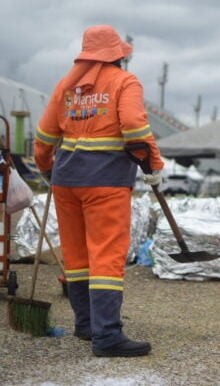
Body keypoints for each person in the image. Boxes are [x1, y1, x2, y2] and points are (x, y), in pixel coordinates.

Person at [34, 25, 164, 357]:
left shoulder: (65, 86)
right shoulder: (124, 82)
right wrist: (154, 167)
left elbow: (44, 137)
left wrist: (48, 169)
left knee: (77, 257)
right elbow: (135, 128)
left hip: (66, 182)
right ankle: (107, 336)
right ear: (118, 54)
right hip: (105, 182)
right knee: (106, 256)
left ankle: (86, 325)